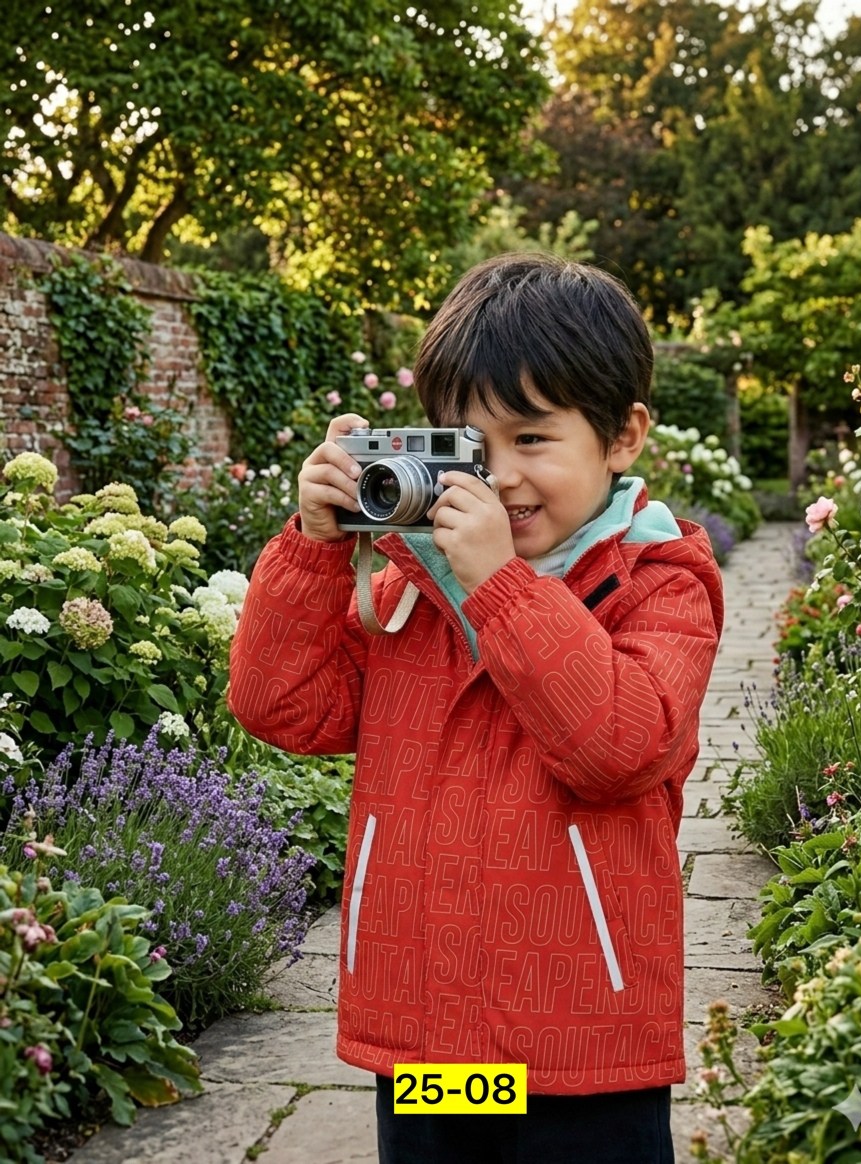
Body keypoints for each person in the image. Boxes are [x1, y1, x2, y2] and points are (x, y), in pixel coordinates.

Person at [227, 252, 724, 1163]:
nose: (499, 480)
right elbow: (281, 708)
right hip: (426, 1023)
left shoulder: (660, 583)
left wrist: (497, 583)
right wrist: (313, 549)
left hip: (584, 1038)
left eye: (532, 440)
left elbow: (621, 743)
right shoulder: (414, 581)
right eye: (469, 445)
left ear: (623, 437)